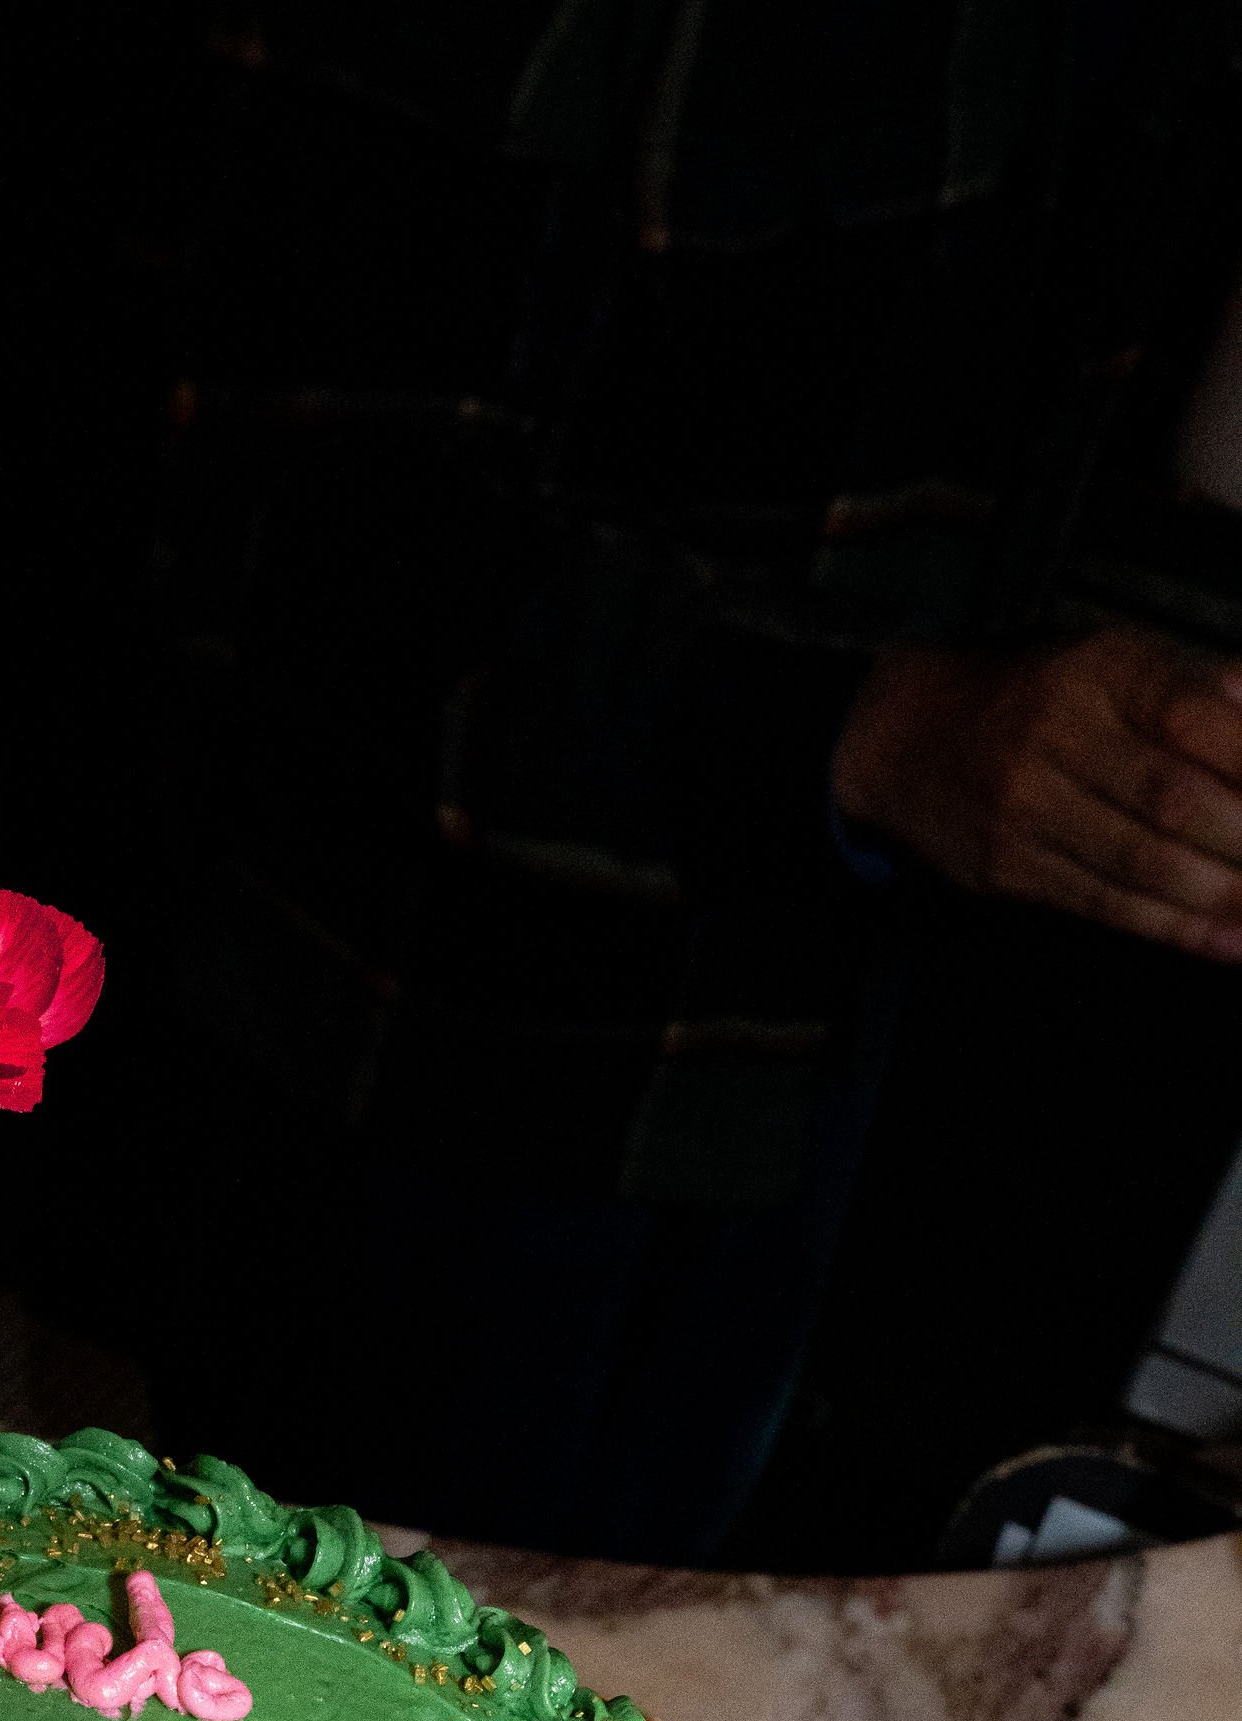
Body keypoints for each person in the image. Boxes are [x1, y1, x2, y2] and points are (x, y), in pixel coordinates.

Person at [136, 0, 1242, 1567]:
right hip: (482, 1035)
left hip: (931, 1042)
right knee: (323, 1676)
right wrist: (881, 734)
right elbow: (281, 536)